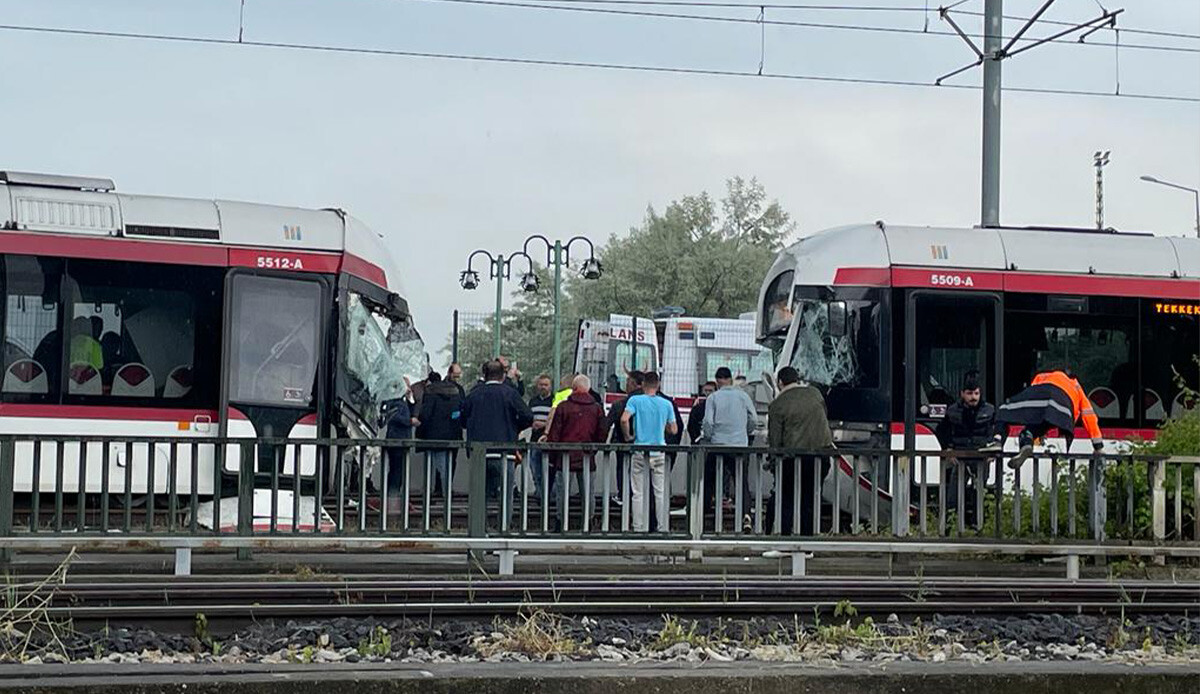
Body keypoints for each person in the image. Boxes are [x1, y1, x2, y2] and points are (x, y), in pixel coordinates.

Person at [983, 368, 1103, 469]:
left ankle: (997, 441)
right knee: (1030, 431)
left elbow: (1032, 394)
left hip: (1042, 397)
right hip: (1062, 412)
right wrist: (1098, 447)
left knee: (1004, 410)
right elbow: (1088, 415)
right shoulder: (1076, 386)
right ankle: (1027, 444)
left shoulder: (1043, 376)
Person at [461, 360, 534, 514]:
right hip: (505, 451)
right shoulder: (510, 393)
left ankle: (480, 525)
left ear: (484, 375)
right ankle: (504, 525)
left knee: (480, 495)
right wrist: (514, 428)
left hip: (479, 453)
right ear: (503, 376)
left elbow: (462, 419)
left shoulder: (474, 394)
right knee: (506, 494)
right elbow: (528, 416)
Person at [767, 366, 834, 535]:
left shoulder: (777, 404)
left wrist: (773, 461)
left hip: (792, 459)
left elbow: (775, 439)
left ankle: (784, 536)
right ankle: (807, 538)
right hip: (821, 456)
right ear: (797, 379)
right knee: (810, 499)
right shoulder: (815, 394)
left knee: (786, 499)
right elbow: (823, 415)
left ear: (780, 382)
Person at [545, 374, 608, 531]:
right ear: (588, 389)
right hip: (587, 455)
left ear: (573, 388)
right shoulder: (596, 408)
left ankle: (561, 524)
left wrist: (553, 456)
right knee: (588, 492)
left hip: (565, 455)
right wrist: (594, 449)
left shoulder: (563, 407)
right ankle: (588, 523)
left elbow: (555, 434)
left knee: (563, 492)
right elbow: (602, 433)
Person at [701, 366, 758, 532]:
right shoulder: (743, 396)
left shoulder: (713, 398)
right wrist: (745, 432)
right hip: (739, 445)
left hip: (718, 445)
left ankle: (704, 515)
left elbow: (708, 422)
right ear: (731, 379)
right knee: (741, 481)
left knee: (709, 480)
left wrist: (710, 436)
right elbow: (753, 419)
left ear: (717, 381)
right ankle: (746, 515)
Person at [934, 371, 995, 525]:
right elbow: (942, 431)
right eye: (969, 393)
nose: (973, 397)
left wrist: (993, 450)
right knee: (953, 497)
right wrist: (948, 449)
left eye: (976, 393)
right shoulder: (953, 411)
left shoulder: (990, 410)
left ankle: (977, 526)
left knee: (979, 496)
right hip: (960, 458)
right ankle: (950, 527)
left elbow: (997, 432)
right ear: (962, 393)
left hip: (981, 457)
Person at [620, 372, 677, 532]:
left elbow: (624, 419)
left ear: (643, 384)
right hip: (659, 452)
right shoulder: (666, 404)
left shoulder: (635, 400)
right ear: (658, 385)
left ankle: (638, 527)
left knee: (638, 493)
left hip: (640, 450)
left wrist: (628, 436)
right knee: (660, 492)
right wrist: (664, 426)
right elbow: (674, 429)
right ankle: (662, 527)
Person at [417, 371, 463, 504]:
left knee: (430, 466)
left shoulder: (430, 392)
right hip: (451, 435)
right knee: (445, 466)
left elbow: (425, 415)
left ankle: (428, 494)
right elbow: (458, 413)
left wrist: (420, 430)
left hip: (432, 435)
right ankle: (446, 494)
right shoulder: (454, 391)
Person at [605, 371, 644, 507]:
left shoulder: (620, 404)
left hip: (623, 444)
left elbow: (606, 424)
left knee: (623, 469)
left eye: (628, 382)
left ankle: (623, 496)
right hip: (646, 445)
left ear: (634, 384)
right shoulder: (653, 403)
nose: (625, 385)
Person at [378, 385, 415, 514]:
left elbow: (411, 411)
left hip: (402, 440)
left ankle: (393, 496)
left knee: (399, 471)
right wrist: (410, 421)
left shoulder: (402, 401)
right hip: (397, 440)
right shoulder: (394, 402)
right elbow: (395, 417)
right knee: (396, 471)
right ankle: (391, 498)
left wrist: (410, 400)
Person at [527, 374, 555, 501]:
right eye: (541, 384)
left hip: (548, 439)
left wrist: (544, 424)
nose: (543, 387)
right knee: (534, 466)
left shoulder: (554, 401)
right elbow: (528, 416)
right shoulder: (533, 401)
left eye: (546, 385)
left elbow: (555, 419)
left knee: (548, 468)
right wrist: (532, 423)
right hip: (534, 438)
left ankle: (548, 494)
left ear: (550, 386)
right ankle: (539, 491)